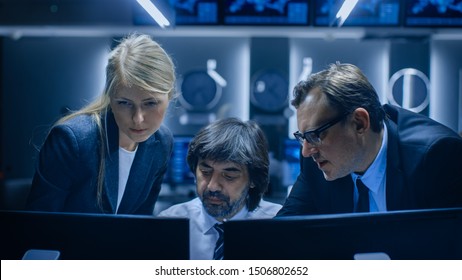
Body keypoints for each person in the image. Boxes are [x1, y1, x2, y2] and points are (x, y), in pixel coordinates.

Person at [278, 62, 462, 216]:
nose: (306, 150)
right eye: (303, 137)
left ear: (359, 123)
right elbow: (281, 235)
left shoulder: (437, 156)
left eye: (315, 135)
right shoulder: (317, 164)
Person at [26, 34, 176, 215]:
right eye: (124, 103)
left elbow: (141, 223)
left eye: (150, 103)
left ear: (169, 96)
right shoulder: (72, 140)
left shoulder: (162, 142)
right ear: (110, 98)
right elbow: (39, 224)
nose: (138, 118)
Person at [157, 118, 282, 259]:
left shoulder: (279, 225)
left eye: (229, 176)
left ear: (253, 179)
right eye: (205, 172)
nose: (212, 186)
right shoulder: (170, 223)